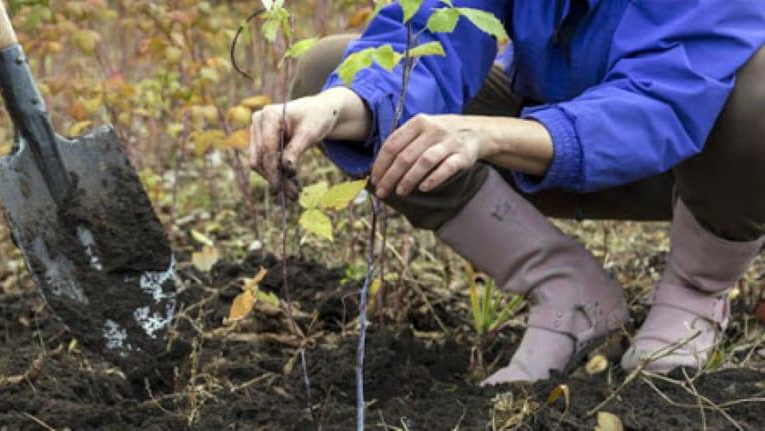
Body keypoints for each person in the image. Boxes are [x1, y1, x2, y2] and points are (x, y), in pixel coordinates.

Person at [248, 0, 765, 384]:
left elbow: (659, 105)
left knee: (760, 89)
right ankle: (565, 286)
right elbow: (436, 30)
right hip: (540, 143)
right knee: (333, 71)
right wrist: (341, 104)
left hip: (684, 163)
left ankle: (694, 294)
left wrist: (491, 136)